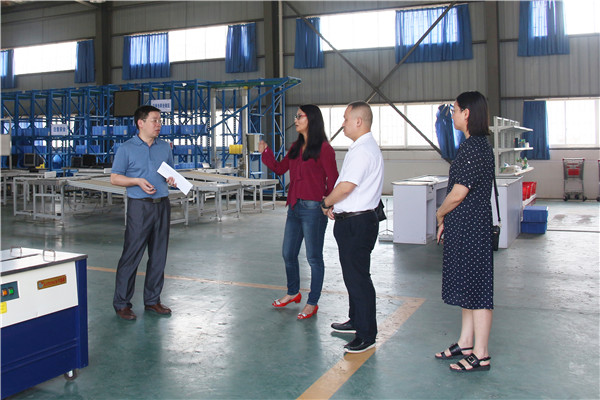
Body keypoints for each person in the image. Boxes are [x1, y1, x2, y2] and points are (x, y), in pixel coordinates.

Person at [434, 91, 495, 372]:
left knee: (478, 290)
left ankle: (481, 354)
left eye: (456, 110)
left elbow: (459, 193)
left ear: (467, 113)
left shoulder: (474, 148)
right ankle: (466, 342)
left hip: (472, 228)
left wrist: (440, 213)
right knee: (468, 287)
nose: (454, 115)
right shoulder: (474, 145)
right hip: (467, 226)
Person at [259, 104, 338, 320]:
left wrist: (328, 203)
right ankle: (293, 292)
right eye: (296, 116)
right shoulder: (295, 147)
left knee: (313, 258)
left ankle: (312, 302)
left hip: (313, 209)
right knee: (288, 253)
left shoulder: (324, 149)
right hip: (294, 206)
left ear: (311, 119)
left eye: (299, 116)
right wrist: (265, 152)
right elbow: (279, 168)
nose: (295, 120)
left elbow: (333, 179)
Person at [321, 101, 383, 353]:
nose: (343, 123)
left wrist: (326, 202)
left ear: (359, 121)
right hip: (355, 220)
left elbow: (347, 186)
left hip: (357, 223)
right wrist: (336, 206)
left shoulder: (362, 151)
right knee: (353, 275)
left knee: (358, 278)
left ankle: (366, 334)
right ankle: (356, 319)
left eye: (346, 119)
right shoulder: (362, 147)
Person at [111, 105, 176, 321]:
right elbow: (115, 178)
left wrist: (172, 179)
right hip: (139, 207)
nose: (159, 125)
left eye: (160, 121)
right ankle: (122, 303)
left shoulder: (164, 147)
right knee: (132, 255)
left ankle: (152, 300)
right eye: (154, 120)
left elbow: (170, 172)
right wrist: (137, 181)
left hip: (162, 204)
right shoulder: (126, 148)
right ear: (141, 123)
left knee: (158, 255)